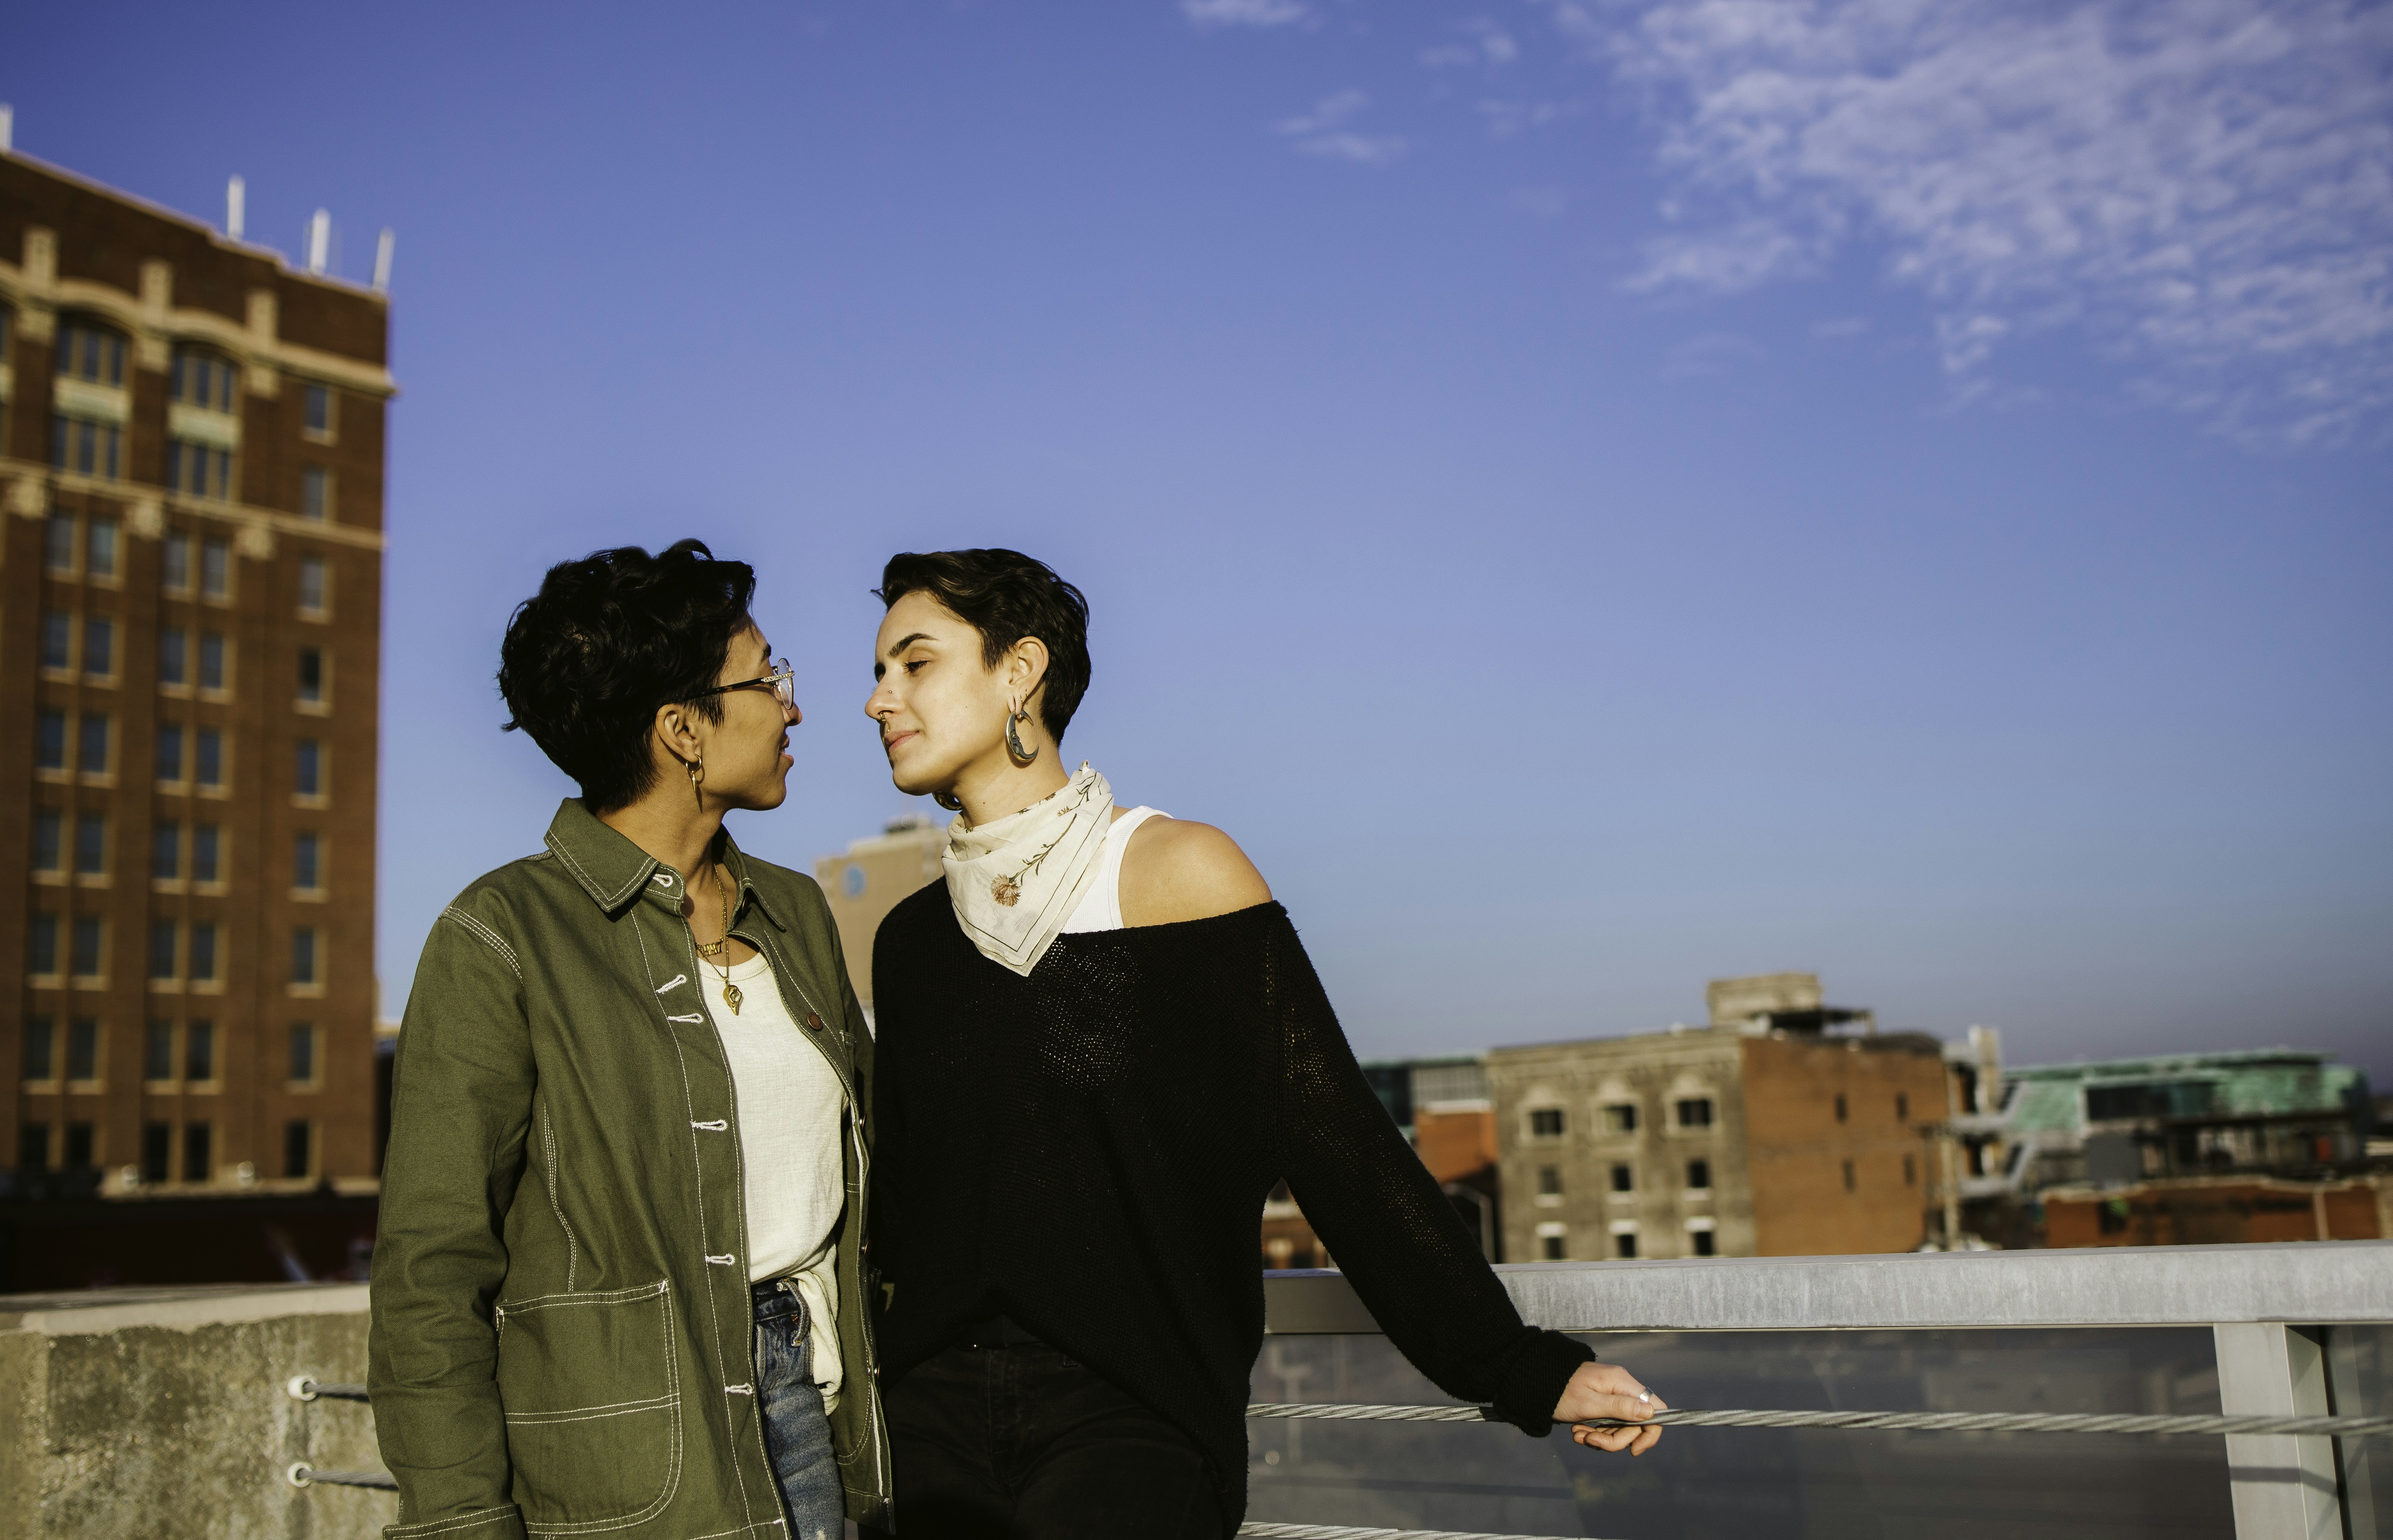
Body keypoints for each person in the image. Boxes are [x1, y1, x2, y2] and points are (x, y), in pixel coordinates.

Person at [859, 548, 1665, 1540]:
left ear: (1019, 671)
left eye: (915, 663)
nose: (879, 699)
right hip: (928, 1431)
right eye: (878, 672)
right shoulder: (909, 943)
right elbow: (896, 1206)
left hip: (1134, 1421)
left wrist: (1522, 1369)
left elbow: (1340, 1148)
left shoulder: (1183, 875)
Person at [368, 540, 886, 1540]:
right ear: (682, 728)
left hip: (821, 1423)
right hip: (631, 1476)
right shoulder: (501, 936)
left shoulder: (794, 912)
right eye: (769, 676)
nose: (794, 704)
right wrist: (462, 1523)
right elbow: (432, 1272)